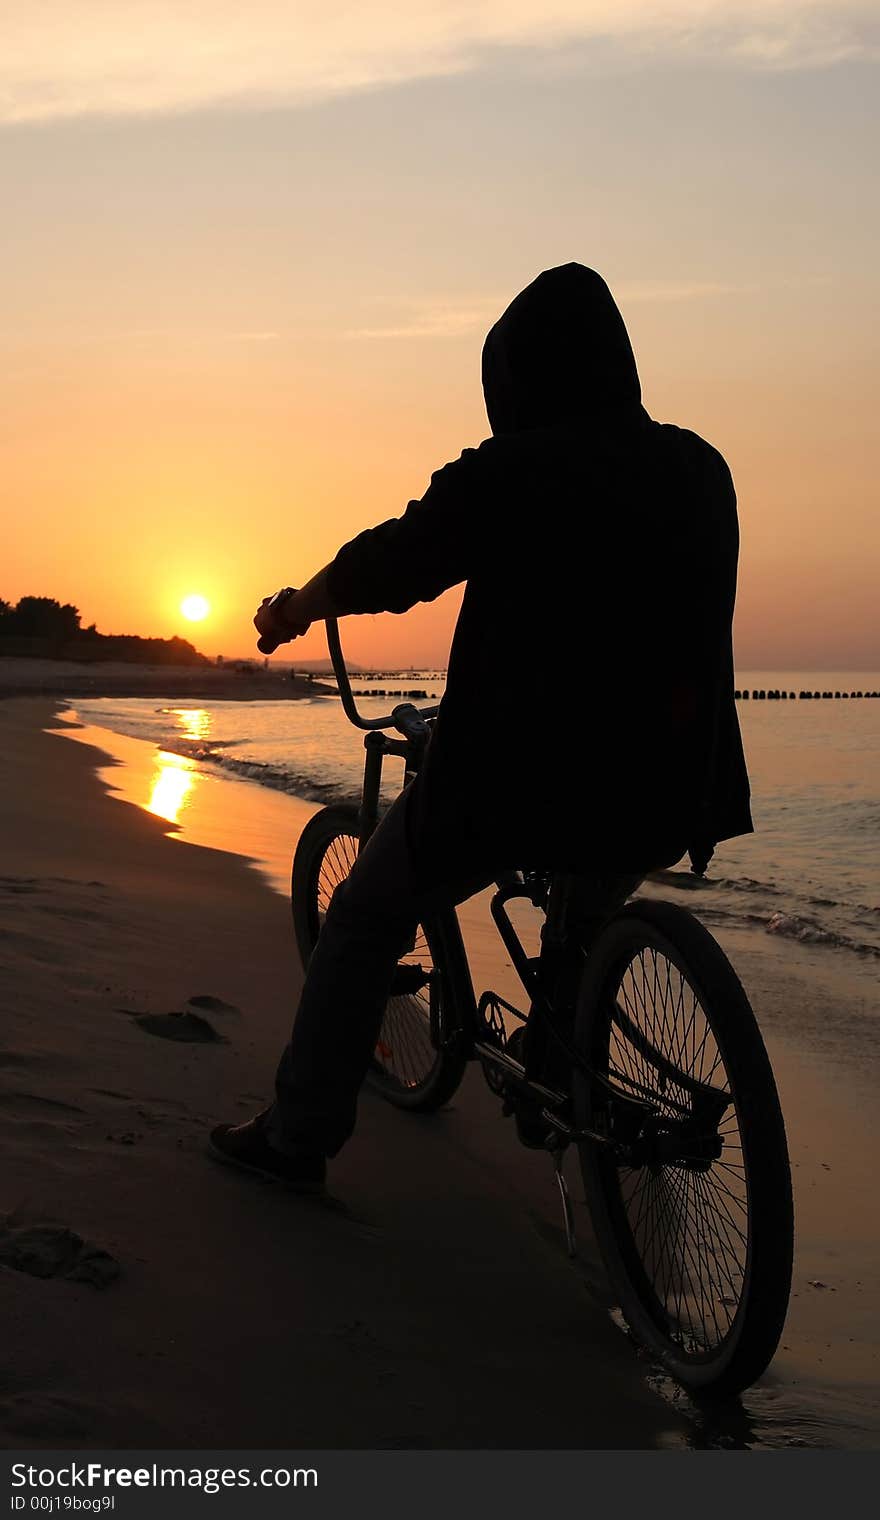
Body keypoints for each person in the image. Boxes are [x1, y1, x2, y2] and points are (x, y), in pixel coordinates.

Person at [209, 263, 752, 1192]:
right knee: (583, 918)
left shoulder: (513, 471)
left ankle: (297, 1137)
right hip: (671, 781)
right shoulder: (700, 468)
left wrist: (300, 605)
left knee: (367, 915)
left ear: (518, 378)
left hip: (516, 783)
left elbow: (395, 560)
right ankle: (561, 1070)